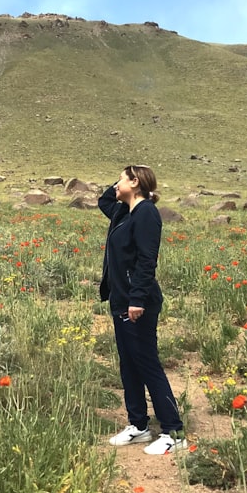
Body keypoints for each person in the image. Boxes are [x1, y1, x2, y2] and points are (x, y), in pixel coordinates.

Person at [99, 165, 185, 455]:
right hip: (121, 300)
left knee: (147, 364)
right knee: (129, 364)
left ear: (135, 183)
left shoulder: (146, 213)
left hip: (139, 303)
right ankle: (139, 426)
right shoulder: (125, 213)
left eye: (122, 178)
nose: (116, 185)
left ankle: (174, 431)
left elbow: (147, 260)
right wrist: (123, 184)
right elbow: (104, 201)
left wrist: (137, 299)